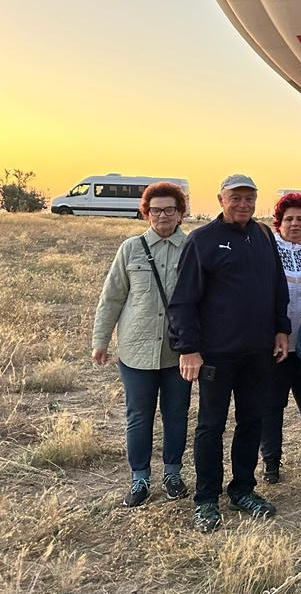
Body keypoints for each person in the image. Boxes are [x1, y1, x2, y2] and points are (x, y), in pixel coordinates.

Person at [169, 174, 290, 533]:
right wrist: (188, 348)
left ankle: (242, 489)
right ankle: (206, 499)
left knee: (252, 421)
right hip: (216, 355)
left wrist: (281, 329)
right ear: (221, 199)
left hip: (258, 352)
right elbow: (183, 300)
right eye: (235, 198)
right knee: (211, 425)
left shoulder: (264, 235)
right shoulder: (202, 240)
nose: (243, 205)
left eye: (249, 198)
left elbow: (277, 286)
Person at [92, 182, 192, 508]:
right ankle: (140, 478)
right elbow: (112, 297)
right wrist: (101, 340)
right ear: (146, 212)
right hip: (135, 350)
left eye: (170, 209)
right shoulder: (130, 248)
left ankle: (173, 475)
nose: (163, 215)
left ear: (180, 213)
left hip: (178, 354)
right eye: (156, 210)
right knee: (138, 416)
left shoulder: (192, 249)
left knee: (176, 415)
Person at [259, 193, 301, 484]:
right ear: (279, 222)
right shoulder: (266, 251)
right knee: (272, 403)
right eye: (289, 219)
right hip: (275, 344)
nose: (295, 223)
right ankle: (271, 461)